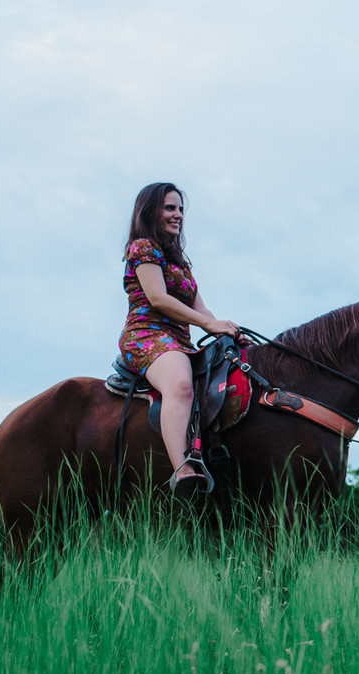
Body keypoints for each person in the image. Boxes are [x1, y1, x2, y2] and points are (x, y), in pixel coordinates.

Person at [118, 183, 242, 495]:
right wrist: (207, 324)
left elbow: (201, 310)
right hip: (147, 335)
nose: (178, 215)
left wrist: (224, 329)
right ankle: (183, 470)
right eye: (170, 208)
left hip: (180, 341)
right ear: (150, 212)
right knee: (181, 385)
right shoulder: (143, 248)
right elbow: (158, 299)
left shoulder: (181, 263)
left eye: (181, 209)